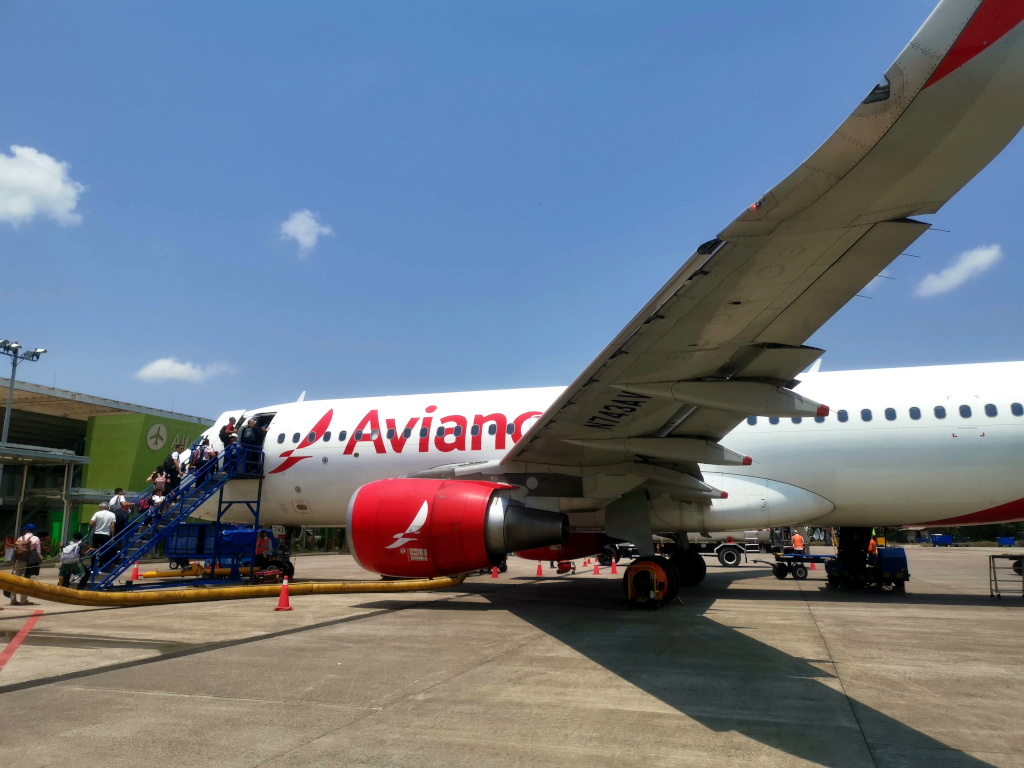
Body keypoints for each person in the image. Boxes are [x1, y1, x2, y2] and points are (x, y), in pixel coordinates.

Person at [10, 523, 41, 605]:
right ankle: (23, 600)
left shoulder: (20, 538)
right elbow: (38, 551)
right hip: (29, 561)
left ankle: (13, 599)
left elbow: (16, 550)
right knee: (26, 580)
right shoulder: (35, 538)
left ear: (27, 530)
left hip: (19, 560)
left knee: (16, 580)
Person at [89, 501, 117, 572]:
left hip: (96, 534)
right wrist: (113, 537)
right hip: (106, 535)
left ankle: (92, 567)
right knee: (104, 551)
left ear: (101, 507)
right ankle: (101, 567)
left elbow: (91, 523)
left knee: (94, 550)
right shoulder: (112, 515)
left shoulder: (97, 513)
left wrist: (94, 527)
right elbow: (112, 527)